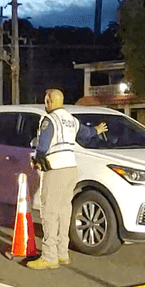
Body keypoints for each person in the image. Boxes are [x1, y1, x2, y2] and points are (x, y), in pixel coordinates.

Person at [25, 89, 107, 270]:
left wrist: (37, 160)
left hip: (55, 169)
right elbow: (86, 134)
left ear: (49, 101)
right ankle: (63, 253)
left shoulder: (49, 120)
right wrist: (97, 130)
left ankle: (49, 256)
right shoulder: (71, 119)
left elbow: (43, 145)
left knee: (49, 213)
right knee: (64, 211)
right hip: (71, 168)